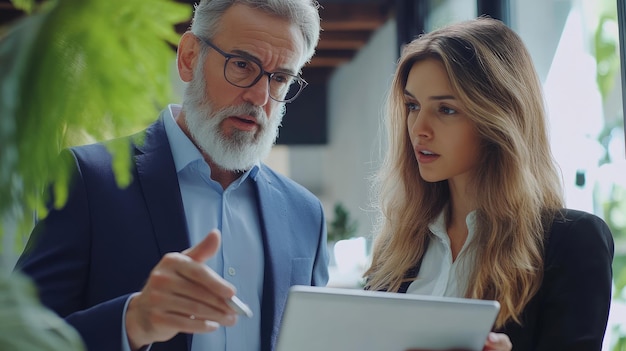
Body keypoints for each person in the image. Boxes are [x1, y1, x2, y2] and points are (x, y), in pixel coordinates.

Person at [14, 1, 328, 351]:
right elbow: (18, 334)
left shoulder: (306, 214)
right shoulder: (88, 180)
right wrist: (132, 322)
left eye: (280, 78)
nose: (259, 96)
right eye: (242, 65)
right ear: (190, 57)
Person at [364, 16, 614, 351]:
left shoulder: (572, 243)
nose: (418, 128)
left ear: (499, 118)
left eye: (446, 110)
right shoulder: (397, 249)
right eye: (412, 106)